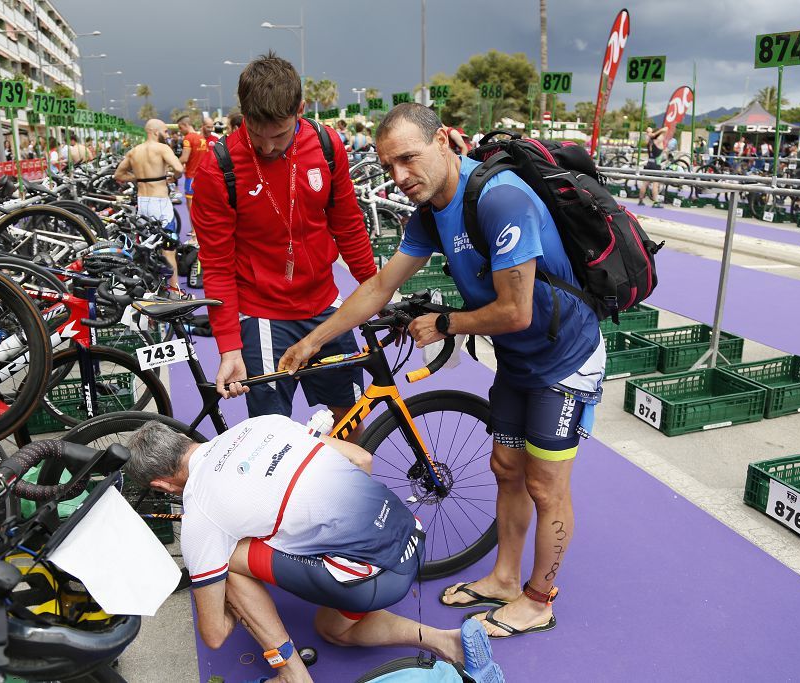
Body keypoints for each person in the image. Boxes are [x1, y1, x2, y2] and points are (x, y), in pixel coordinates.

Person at [279, 102, 604, 640]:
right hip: (519, 358)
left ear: (447, 142)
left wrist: (445, 323)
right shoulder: (431, 210)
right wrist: (315, 340)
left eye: (408, 158)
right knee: (506, 467)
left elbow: (515, 310)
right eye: (388, 167)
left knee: (546, 487)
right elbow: (381, 286)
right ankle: (504, 577)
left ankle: (539, 599)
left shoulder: (500, 199)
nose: (400, 176)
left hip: (564, 358)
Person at [124, 416, 505, 683]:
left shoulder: (200, 511)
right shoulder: (261, 423)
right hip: (411, 536)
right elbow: (361, 458)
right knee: (332, 628)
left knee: (223, 557)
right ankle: (447, 640)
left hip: (374, 579)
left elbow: (214, 635)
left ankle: (292, 674)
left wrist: (226, 599)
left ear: (162, 485)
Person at [191, 52, 377, 430]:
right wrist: (228, 346)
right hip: (261, 314)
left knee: (351, 420)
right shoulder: (218, 168)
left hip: (325, 305)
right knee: (271, 435)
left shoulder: (326, 145)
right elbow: (217, 264)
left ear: (300, 110)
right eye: (257, 134)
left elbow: (349, 225)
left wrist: (376, 290)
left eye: (279, 134)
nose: (267, 147)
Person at [113, 118, 189, 299]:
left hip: (143, 203)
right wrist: (171, 177)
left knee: (145, 247)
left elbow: (119, 174)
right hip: (160, 202)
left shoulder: (134, 151)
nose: (166, 135)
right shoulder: (162, 149)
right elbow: (179, 167)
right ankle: (175, 291)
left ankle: (148, 291)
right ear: (155, 132)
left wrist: (139, 178)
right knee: (168, 248)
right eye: (164, 131)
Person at [178, 115, 206, 206]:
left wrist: (171, 165)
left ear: (186, 125)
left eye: (180, 128)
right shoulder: (202, 138)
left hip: (192, 177)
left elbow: (184, 158)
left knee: (191, 206)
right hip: (203, 177)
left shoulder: (188, 138)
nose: (180, 131)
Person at [638, 126, 665, 207]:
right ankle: (655, 202)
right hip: (656, 165)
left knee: (645, 183)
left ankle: (640, 200)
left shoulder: (649, 142)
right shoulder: (658, 141)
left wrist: (650, 133)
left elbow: (649, 136)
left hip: (649, 163)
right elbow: (665, 129)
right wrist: (656, 133)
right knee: (655, 184)